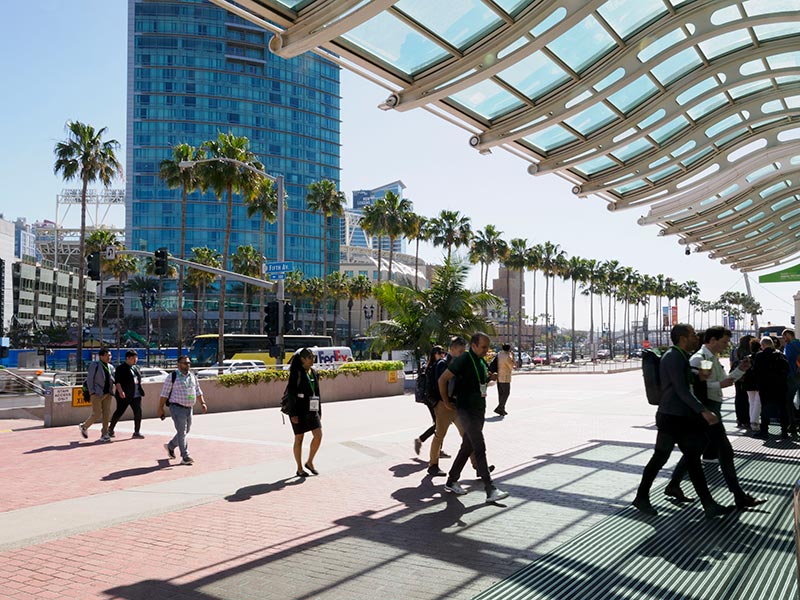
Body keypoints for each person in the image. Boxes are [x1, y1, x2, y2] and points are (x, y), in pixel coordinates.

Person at [633, 324, 734, 519]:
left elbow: (687, 383)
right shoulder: (673, 356)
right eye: (693, 335)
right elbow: (681, 389)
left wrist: (700, 376)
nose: (697, 337)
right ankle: (641, 497)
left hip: (681, 417)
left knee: (693, 458)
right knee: (661, 458)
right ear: (682, 338)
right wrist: (703, 410)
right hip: (671, 417)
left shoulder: (682, 356)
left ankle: (708, 504)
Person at [666, 326, 764, 510]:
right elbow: (696, 387)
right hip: (707, 411)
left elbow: (721, 382)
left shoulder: (710, 359)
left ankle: (673, 485)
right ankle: (738, 496)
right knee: (725, 452)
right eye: (724, 341)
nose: (727, 345)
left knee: (693, 453)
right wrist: (720, 385)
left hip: (710, 409)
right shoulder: (701, 359)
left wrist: (740, 371)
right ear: (712, 340)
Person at [439, 332, 508, 504]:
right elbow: (442, 379)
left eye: (487, 347)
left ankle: (451, 480)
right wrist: (446, 402)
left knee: (467, 447)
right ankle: (490, 488)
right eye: (483, 347)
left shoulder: (481, 361)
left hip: (479, 410)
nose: (486, 350)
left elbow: (481, 380)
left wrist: (490, 377)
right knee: (479, 446)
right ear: (474, 345)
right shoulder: (463, 359)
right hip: (466, 410)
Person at [158, 356, 206, 465]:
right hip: (177, 407)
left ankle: (170, 446)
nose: (188, 365)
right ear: (178, 364)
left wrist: (202, 403)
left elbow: (198, 390)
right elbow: (164, 394)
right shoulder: (172, 377)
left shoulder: (192, 376)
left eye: (189, 363)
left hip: (189, 408)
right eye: (185, 363)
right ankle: (185, 456)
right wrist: (160, 408)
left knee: (185, 431)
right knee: (182, 432)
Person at [284, 348, 322, 477]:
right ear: (303, 359)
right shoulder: (296, 372)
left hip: (312, 408)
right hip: (298, 409)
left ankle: (309, 462)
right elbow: (291, 393)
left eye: (313, 357)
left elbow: (317, 393)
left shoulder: (314, 372)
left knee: (318, 435)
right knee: (299, 438)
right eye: (310, 358)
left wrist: (319, 410)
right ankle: (299, 468)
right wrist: (293, 414)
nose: (312, 360)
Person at [755, 336, 790, 439]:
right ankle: (784, 431)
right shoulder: (781, 355)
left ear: (763, 345)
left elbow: (756, 371)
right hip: (780, 387)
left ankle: (764, 431)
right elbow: (787, 370)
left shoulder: (760, 356)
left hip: (765, 387)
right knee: (782, 408)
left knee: (765, 408)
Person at [78, 348, 116, 442]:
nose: (109, 357)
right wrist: (92, 392)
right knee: (97, 413)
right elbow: (90, 379)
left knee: (106, 414)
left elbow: (113, 378)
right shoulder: (95, 365)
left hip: (108, 393)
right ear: (101, 356)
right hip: (97, 393)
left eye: (110, 355)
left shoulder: (110, 367)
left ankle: (105, 434)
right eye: (107, 355)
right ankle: (84, 426)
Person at [414, 346, 445, 456]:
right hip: (432, 399)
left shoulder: (436, 365)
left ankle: (437, 449)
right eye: (440, 352)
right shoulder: (432, 367)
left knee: (440, 424)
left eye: (443, 352)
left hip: (433, 399)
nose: (442, 354)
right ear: (434, 354)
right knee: (439, 425)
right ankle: (421, 440)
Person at [109, 350, 145, 439]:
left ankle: (137, 432)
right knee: (119, 411)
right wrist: (120, 391)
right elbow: (117, 381)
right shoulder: (121, 368)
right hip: (124, 395)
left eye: (136, 358)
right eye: (133, 358)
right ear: (127, 358)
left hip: (136, 394)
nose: (135, 360)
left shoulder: (136, 368)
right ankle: (110, 429)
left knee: (138, 412)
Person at [731, 335, 753, 428]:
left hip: (737, 376)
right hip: (747, 376)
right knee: (748, 397)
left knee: (738, 396)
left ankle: (739, 419)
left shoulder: (734, 351)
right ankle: (747, 419)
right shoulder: (750, 351)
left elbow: (731, 363)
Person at [781, 328, 800, 434]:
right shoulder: (799, 343)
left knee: (788, 400)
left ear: (788, 335)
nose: (784, 339)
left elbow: (786, 361)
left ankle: (792, 423)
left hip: (793, 375)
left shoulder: (789, 346)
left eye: (784, 337)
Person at [741, 338, 762, 432]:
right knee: (758, 402)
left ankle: (752, 421)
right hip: (757, 382)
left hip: (748, 381)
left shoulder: (747, 357)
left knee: (751, 402)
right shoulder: (760, 356)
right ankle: (754, 422)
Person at [491, 344, 515, 416]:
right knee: (506, 393)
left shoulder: (499, 354)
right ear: (508, 349)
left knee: (501, 393)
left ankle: (502, 409)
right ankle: (500, 407)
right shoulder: (507, 356)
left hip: (498, 376)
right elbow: (511, 366)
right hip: (505, 377)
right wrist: (513, 357)